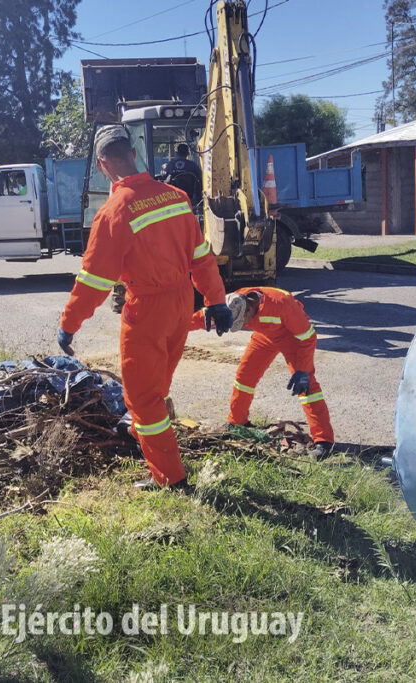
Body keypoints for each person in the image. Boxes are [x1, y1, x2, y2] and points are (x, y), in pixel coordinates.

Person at [57, 125, 231, 489]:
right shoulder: (176, 197)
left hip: (147, 310)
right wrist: (216, 300)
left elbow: (94, 282)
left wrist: (69, 325)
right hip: (181, 303)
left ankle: (169, 477)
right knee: (157, 383)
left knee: (142, 397)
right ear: (133, 153)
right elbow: (200, 257)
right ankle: (142, 433)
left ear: (102, 165)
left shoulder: (114, 211)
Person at [193, 287, 335, 459]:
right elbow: (199, 318)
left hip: (292, 338)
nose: (243, 326)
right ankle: (237, 422)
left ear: (249, 309)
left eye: (243, 322)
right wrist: (171, 328)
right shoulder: (232, 304)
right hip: (265, 336)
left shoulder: (282, 304)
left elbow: (308, 336)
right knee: (244, 377)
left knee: (307, 387)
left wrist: (303, 369)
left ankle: (324, 440)